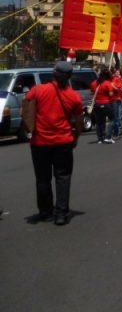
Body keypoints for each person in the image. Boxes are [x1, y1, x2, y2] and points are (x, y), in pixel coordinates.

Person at [22, 61, 84, 225]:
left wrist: (30, 127)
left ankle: (45, 212)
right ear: (69, 77)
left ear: (53, 74)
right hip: (63, 143)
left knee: (43, 179)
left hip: (39, 142)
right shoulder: (74, 96)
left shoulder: (38, 90)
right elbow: (79, 121)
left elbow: (25, 107)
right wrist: (75, 138)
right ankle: (61, 214)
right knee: (63, 177)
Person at [92, 69, 116, 144]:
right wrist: (114, 89)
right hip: (106, 103)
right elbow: (111, 94)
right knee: (111, 119)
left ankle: (100, 138)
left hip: (97, 104)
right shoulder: (108, 83)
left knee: (99, 122)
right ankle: (108, 137)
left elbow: (92, 92)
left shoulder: (94, 83)